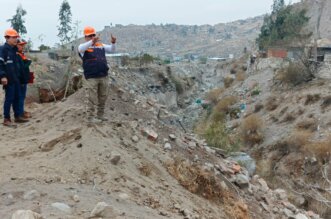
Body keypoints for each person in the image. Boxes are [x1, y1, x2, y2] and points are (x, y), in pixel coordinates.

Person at [78, 26, 116, 122]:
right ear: (85, 37)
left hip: (103, 76)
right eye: (89, 36)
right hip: (91, 77)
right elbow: (80, 49)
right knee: (91, 98)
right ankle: (90, 118)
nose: (92, 37)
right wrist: (92, 42)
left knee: (103, 97)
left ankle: (100, 115)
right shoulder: (83, 47)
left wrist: (113, 43)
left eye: (93, 35)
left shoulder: (101, 45)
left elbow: (112, 50)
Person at [0, 28, 28, 126]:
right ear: (7, 38)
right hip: (8, 79)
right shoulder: (3, 49)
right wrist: (2, 76)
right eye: (13, 37)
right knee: (9, 98)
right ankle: (6, 119)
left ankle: (17, 116)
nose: (16, 39)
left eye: (16, 37)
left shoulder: (14, 50)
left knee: (17, 97)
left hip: (16, 79)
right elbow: (0, 64)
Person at [16, 39, 32, 119]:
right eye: (20, 45)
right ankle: (20, 113)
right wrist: (27, 63)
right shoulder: (17, 55)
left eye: (23, 45)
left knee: (22, 96)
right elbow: (20, 69)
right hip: (20, 80)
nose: (22, 46)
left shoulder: (21, 54)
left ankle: (21, 112)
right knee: (20, 97)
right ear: (16, 45)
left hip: (23, 79)